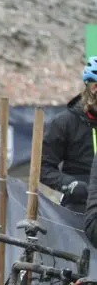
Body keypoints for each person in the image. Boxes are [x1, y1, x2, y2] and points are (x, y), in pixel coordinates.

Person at [41, 56, 97, 214]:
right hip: (79, 204)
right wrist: (70, 184)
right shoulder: (64, 123)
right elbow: (42, 166)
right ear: (94, 88)